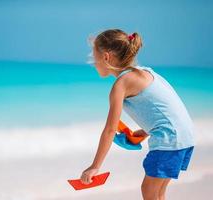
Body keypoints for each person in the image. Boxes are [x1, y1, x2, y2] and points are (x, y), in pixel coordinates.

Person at [80, 29, 195, 200]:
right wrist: (148, 130)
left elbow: (110, 130)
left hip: (168, 140)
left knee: (149, 191)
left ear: (106, 57)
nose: (93, 62)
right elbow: (166, 107)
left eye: (94, 57)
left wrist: (95, 166)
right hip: (184, 137)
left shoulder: (121, 85)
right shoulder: (145, 72)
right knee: (158, 193)